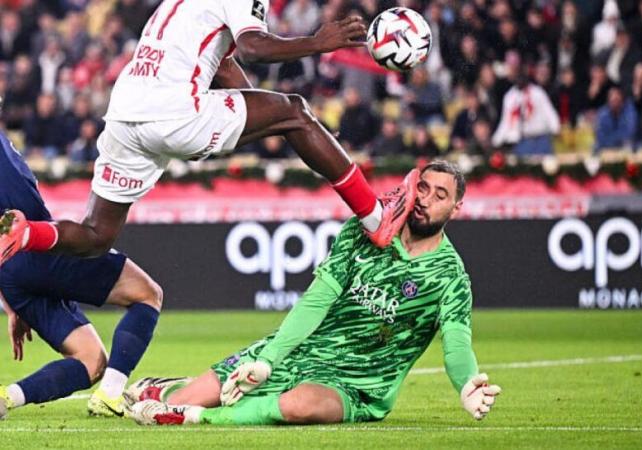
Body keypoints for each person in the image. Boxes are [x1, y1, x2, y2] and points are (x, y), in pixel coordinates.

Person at [0, 0, 418, 268]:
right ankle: (378, 218)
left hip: (125, 114)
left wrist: (260, 112)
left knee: (96, 235)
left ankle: (24, 233)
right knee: (296, 111)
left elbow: (222, 66)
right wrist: (317, 42)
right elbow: (253, 48)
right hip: (176, 111)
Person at [124, 161, 501, 427]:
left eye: (440, 195)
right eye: (423, 187)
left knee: (296, 406)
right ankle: (171, 390)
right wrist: (270, 359)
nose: (426, 199)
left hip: (355, 384)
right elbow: (318, 298)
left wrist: (466, 383)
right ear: (411, 185)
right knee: (177, 399)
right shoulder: (365, 230)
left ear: (456, 207)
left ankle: (199, 418)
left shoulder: (449, 275)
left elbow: (455, 341)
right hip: (299, 352)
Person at [0, 128, 162, 419]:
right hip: (35, 248)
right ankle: (111, 396)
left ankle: (6, 397)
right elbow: (18, 217)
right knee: (147, 294)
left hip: (9, 274)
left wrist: (9, 303)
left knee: (91, 361)